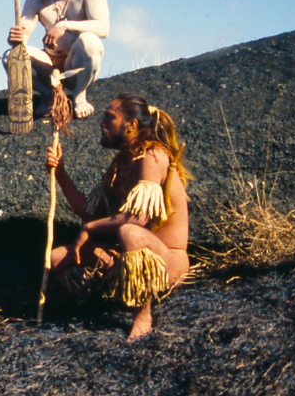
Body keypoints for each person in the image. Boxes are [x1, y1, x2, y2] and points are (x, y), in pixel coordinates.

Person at [46, 93, 191, 339]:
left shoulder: (153, 156)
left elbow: (138, 219)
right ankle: (91, 297)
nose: (102, 123)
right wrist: (61, 174)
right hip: (125, 257)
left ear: (131, 126)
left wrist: (91, 228)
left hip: (167, 263)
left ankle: (142, 315)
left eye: (109, 118)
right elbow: (91, 213)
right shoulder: (120, 164)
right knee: (57, 257)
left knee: (129, 232)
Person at [4, 0, 109, 118]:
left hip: (76, 66)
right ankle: (47, 96)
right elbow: (23, 36)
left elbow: (103, 28)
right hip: (49, 68)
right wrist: (15, 38)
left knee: (90, 42)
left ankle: (79, 95)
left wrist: (64, 26)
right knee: (10, 56)